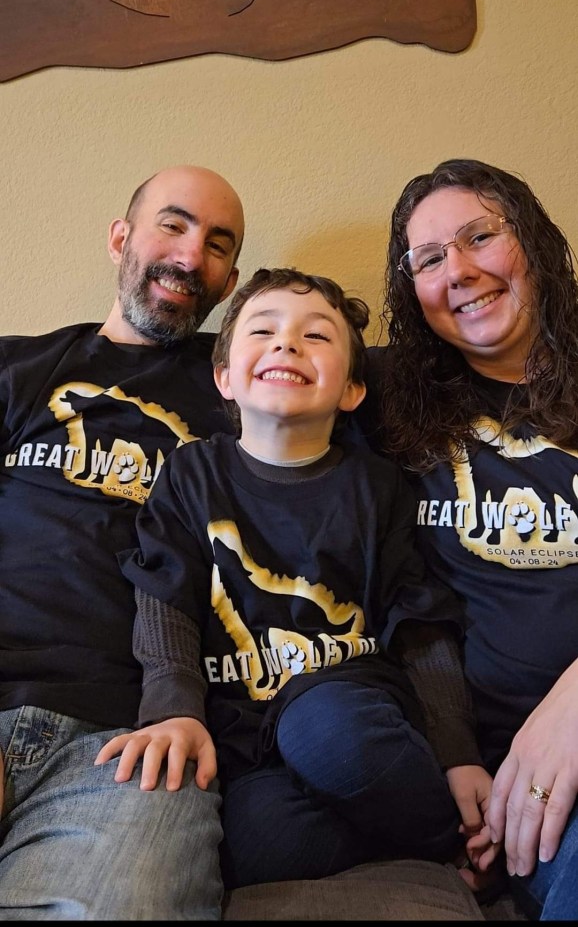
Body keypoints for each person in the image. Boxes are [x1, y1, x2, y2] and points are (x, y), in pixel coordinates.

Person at [96, 266, 495, 890]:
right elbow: (164, 597)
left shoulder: (376, 486)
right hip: (248, 738)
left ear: (352, 390)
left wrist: (458, 753)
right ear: (225, 377)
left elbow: (419, 621)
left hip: (347, 704)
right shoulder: (191, 475)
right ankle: (395, 834)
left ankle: (452, 838)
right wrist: (172, 711)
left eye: (316, 336)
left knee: (325, 733)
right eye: (264, 331)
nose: (287, 343)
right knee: (252, 845)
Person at [0, 164, 245, 920]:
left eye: (217, 244)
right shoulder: (17, 368)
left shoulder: (247, 391)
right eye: (173, 225)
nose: (190, 255)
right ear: (120, 238)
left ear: (230, 282)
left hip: (132, 741)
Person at [358, 157, 578, 920]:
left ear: (534, 242)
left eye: (480, 236)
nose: (458, 271)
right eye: (428, 259)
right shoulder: (386, 403)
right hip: (522, 784)